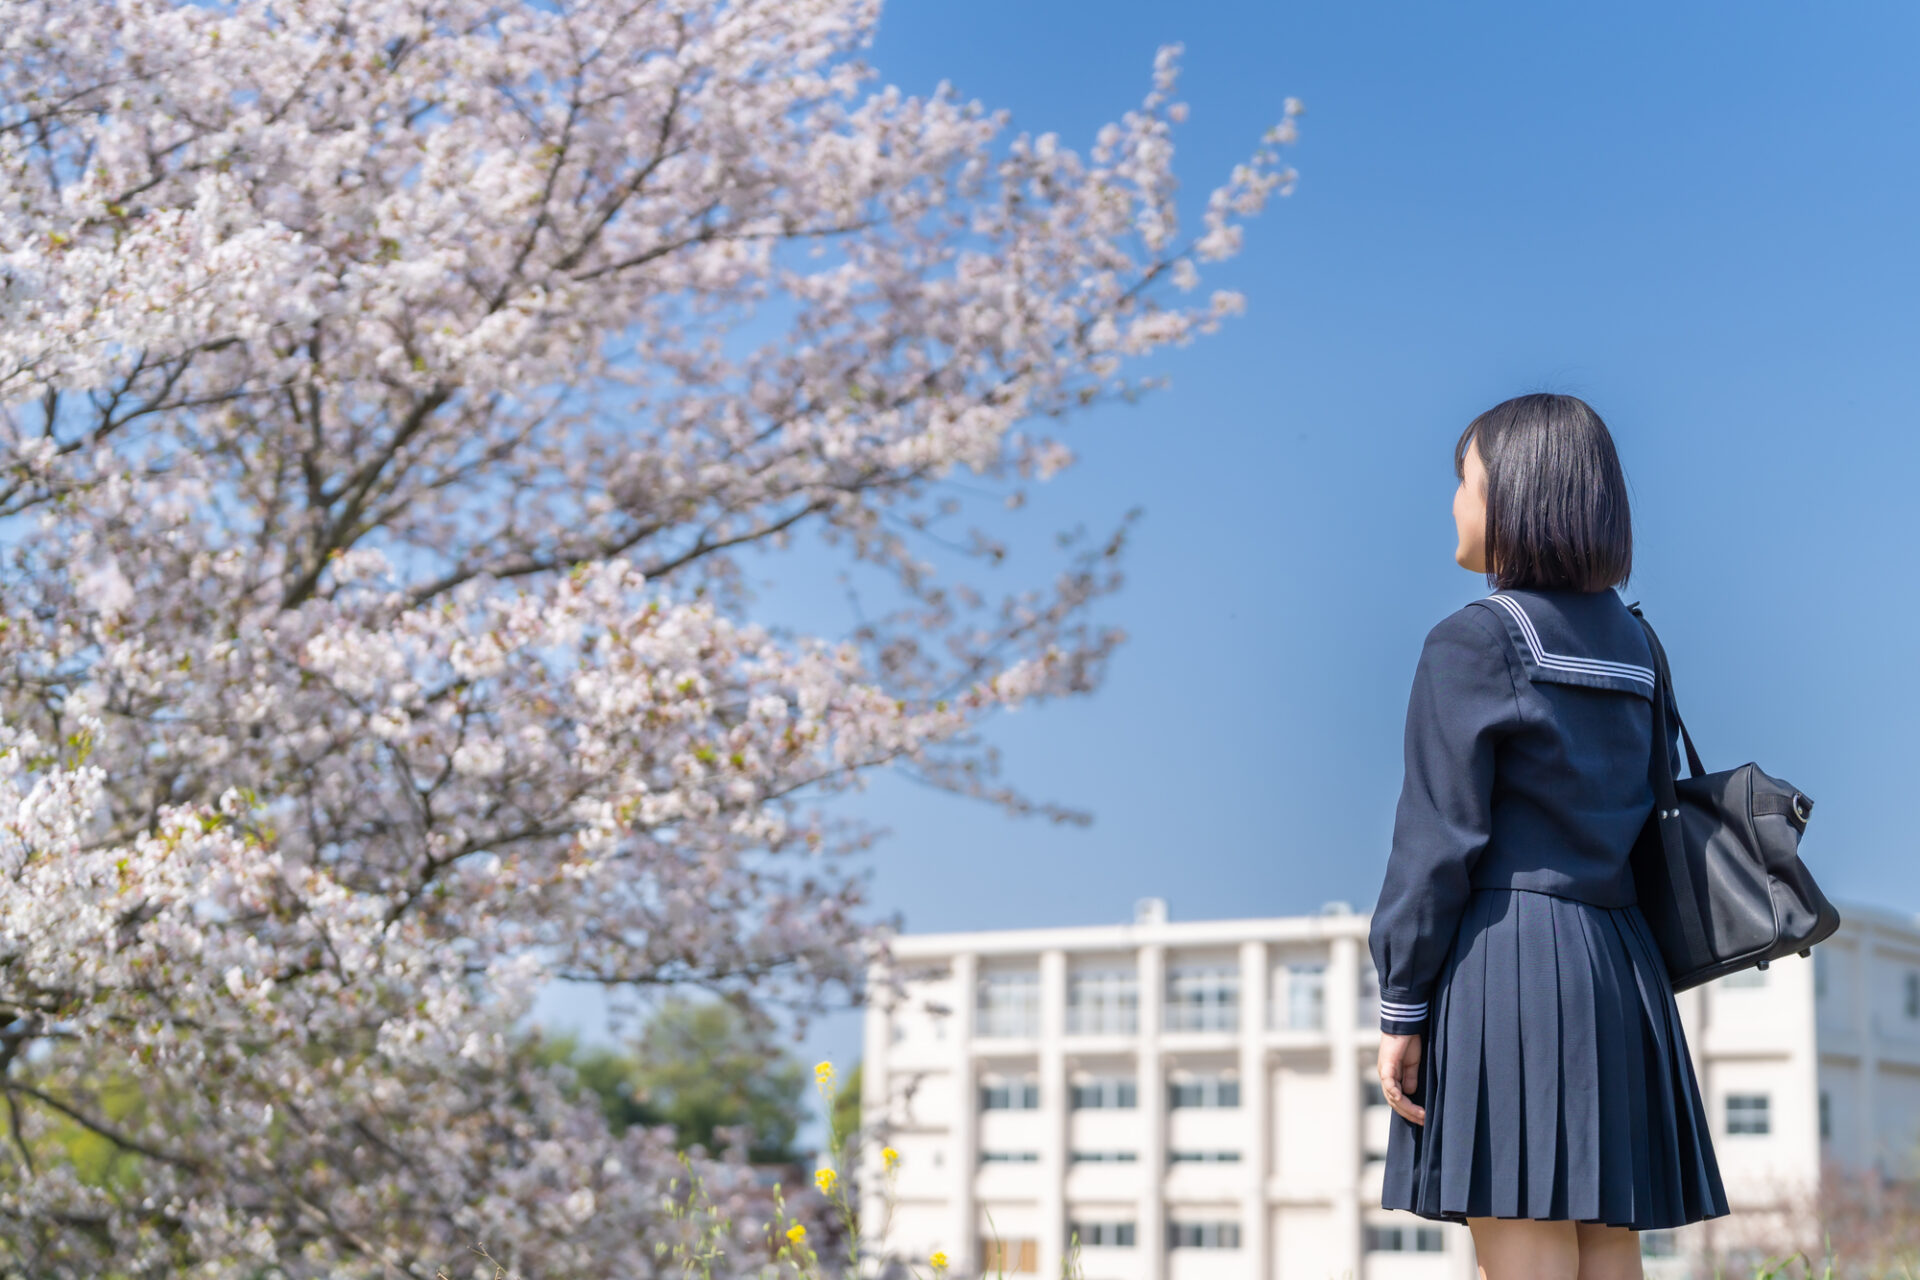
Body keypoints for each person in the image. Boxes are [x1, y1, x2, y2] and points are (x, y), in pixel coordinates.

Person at [1369, 393, 1729, 1280]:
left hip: (1512, 965)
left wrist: (1401, 1006)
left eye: (1467, 479)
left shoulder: (1475, 642)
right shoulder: (1640, 645)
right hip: (1620, 965)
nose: (1455, 501)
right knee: (1607, 1251)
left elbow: (1437, 842)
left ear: (1520, 496)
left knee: (1525, 1243)